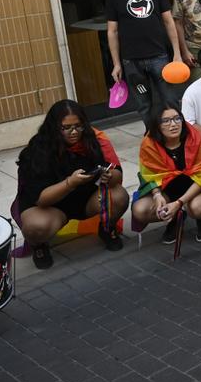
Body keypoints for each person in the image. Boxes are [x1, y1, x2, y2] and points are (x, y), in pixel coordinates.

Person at [16, 100, 128, 268]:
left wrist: (109, 176)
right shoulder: (38, 149)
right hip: (51, 206)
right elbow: (41, 199)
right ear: (54, 127)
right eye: (66, 128)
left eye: (78, 126)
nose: (74, 132)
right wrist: (70, 183)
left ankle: (106, 228)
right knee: (35, 226)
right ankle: (39, 245)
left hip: (86, 199)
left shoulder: (95, 139)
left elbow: (117, 175)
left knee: (119, 196)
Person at [104, 0, 183, 119]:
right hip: (132, 62)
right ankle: (152, 141)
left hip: (159, 57)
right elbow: (112, 31)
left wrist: (176, 53)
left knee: (170, 101)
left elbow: (169, 22)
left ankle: (179, 136)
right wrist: (117, 64)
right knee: (144, 106)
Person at [131, 103, 201, 246]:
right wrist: (157, 195)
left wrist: (179, 203)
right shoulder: (149, 144)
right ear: (156, 125)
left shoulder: (196, 138)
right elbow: (148, 174)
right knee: (140, 210)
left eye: (177, 119)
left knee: (199, 208)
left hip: (196, 188)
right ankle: (174, 219)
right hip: (166, 190)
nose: (174, 124)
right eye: (166, 121)